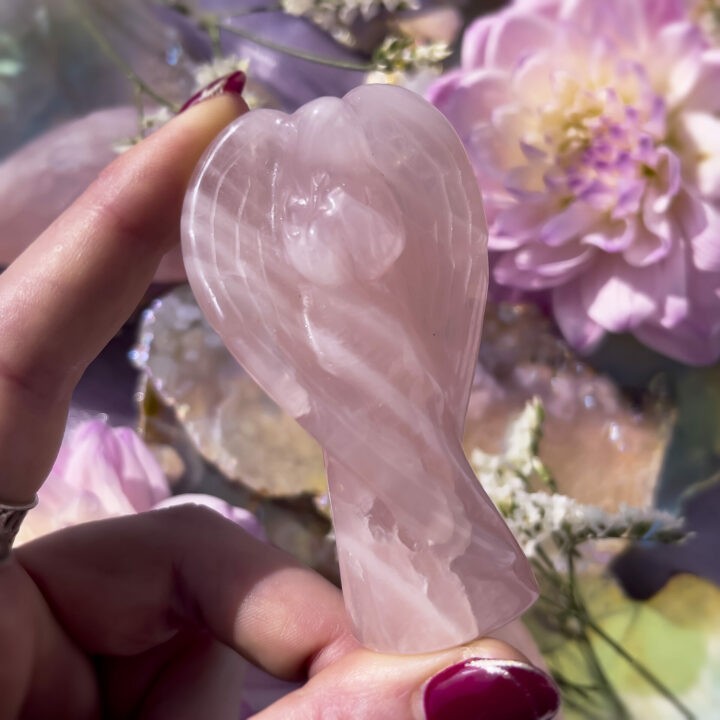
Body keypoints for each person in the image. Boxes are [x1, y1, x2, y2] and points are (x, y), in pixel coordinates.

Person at [0, 77, 560, 720]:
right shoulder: (303, 274)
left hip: (389, 369)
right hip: (347, 372)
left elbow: (396, 279)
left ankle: (443, 562)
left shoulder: (372, 245)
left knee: (419, 470)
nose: (338, 204)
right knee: (380, 474)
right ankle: (422, 572)